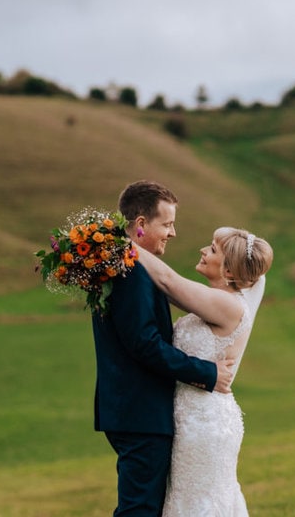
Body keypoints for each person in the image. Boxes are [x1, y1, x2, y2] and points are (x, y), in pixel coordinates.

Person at [93, 180, 236, 516]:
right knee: (139, 510)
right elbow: (145, 344)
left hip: (135, 409)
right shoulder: (131, 272)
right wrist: (207, 372)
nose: (173, 233)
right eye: (167, 224)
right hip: (140, 411)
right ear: (141, 225)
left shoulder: (130, 266)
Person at [134, 226, 273, 516]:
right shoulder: (214, 302)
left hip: (205, 424)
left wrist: (121, 244)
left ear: (231, 273)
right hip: (190, 416)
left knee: (198, 504)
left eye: (212, 250)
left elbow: (167, 282)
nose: (203, 251)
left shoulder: (227, 304)